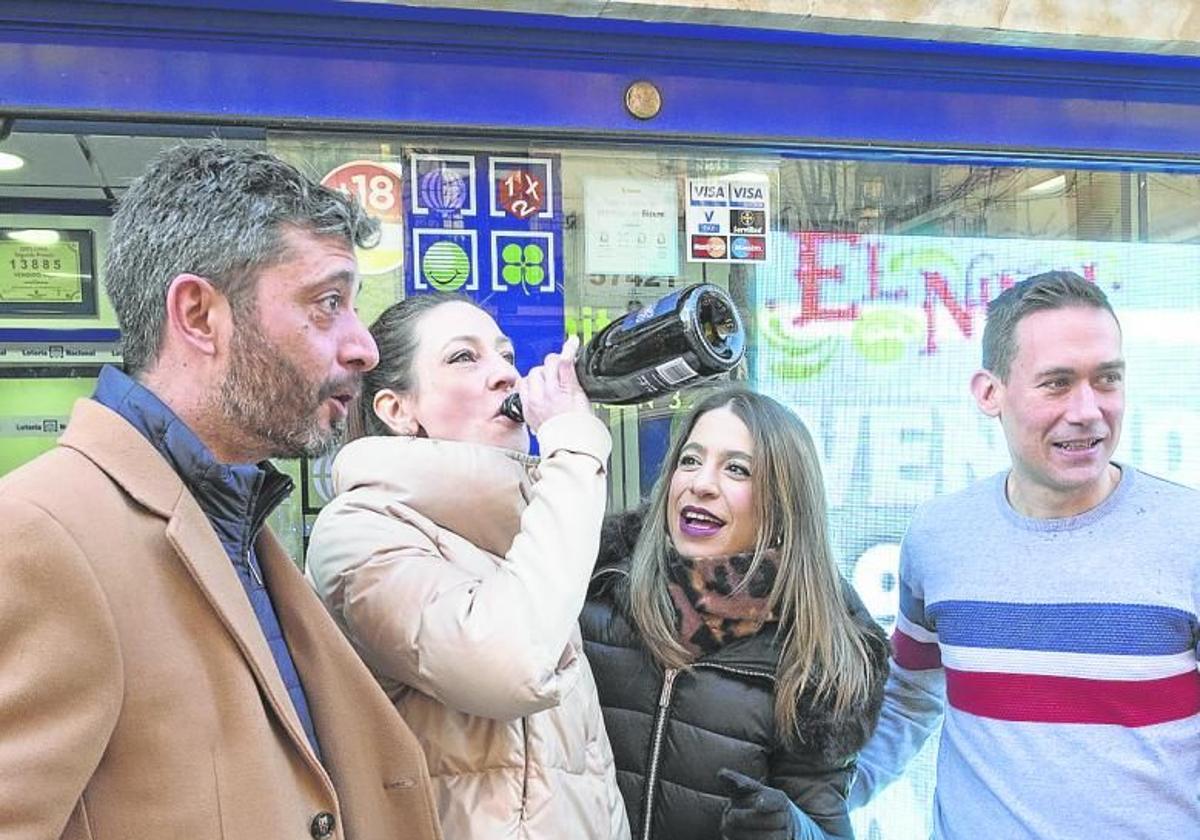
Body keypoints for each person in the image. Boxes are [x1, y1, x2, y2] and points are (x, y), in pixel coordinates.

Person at [0, 141, 441, 840]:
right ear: (200, 316)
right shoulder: (35, 534)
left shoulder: (234, 517)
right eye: (328, 303)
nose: (364, 347)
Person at [849, 270, 1200, 838]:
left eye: (1106, 379)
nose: (1088, 409)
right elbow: (910, 696)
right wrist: (820, 799)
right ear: (990, 393)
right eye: (1057, 383)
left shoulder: (1189, 537)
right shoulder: (939, 537)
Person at [305, 295, 630, 840]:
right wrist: (573, 453)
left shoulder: (523, 533)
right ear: (396, 410)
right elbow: (511, 665)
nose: (504, 374)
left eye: (505, 356)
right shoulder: (358, 532)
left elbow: (589, 776)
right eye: (464, 358)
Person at [580, 386, 889, 840]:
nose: (701, 484)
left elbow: (827, 831)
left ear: (783, 504)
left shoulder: (816, 651)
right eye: (690, 460)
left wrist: (790, 829)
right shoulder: (596, 586)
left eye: (737, 469)